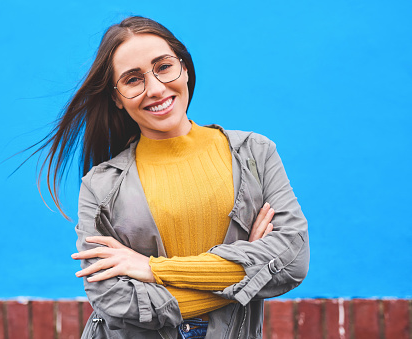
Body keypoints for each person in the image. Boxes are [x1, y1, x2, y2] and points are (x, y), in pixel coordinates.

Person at [38, 16, 309, 339]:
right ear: (116, 97)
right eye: (133, 80)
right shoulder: (101, 186)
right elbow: (113, 300)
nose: (155, 89)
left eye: (164, 67)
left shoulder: (254, 154)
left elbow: (292, 263)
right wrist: (248, 274)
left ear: (185, 67)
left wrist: (152, 269)